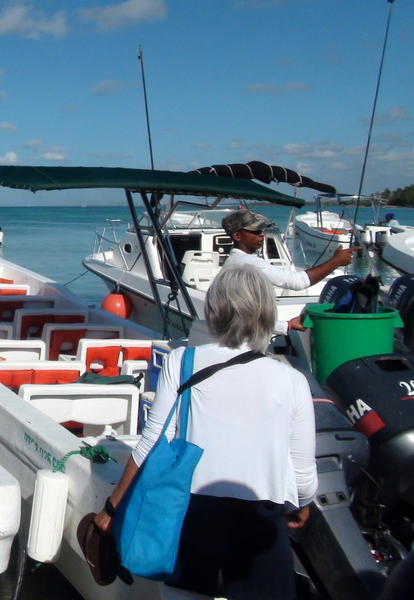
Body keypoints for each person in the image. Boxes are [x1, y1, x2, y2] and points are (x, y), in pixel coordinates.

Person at [94, 264, 317, 599]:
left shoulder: (182, 362)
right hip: (260, 521)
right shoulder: (293, 381)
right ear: (267, 314)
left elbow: (151, 442)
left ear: (214, 310)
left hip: (191, 515)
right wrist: (302, 504)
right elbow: (303, 478)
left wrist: (112, 507)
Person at [221, 209, 359, 332]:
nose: (262, 234)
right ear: (237, 236)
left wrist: (287, 325)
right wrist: (337, 261)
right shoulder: (246, 262)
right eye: (255, 231)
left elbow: (245, 318)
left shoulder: (234, 261)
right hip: (245, 343)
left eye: (262, 230)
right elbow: (297, 282)